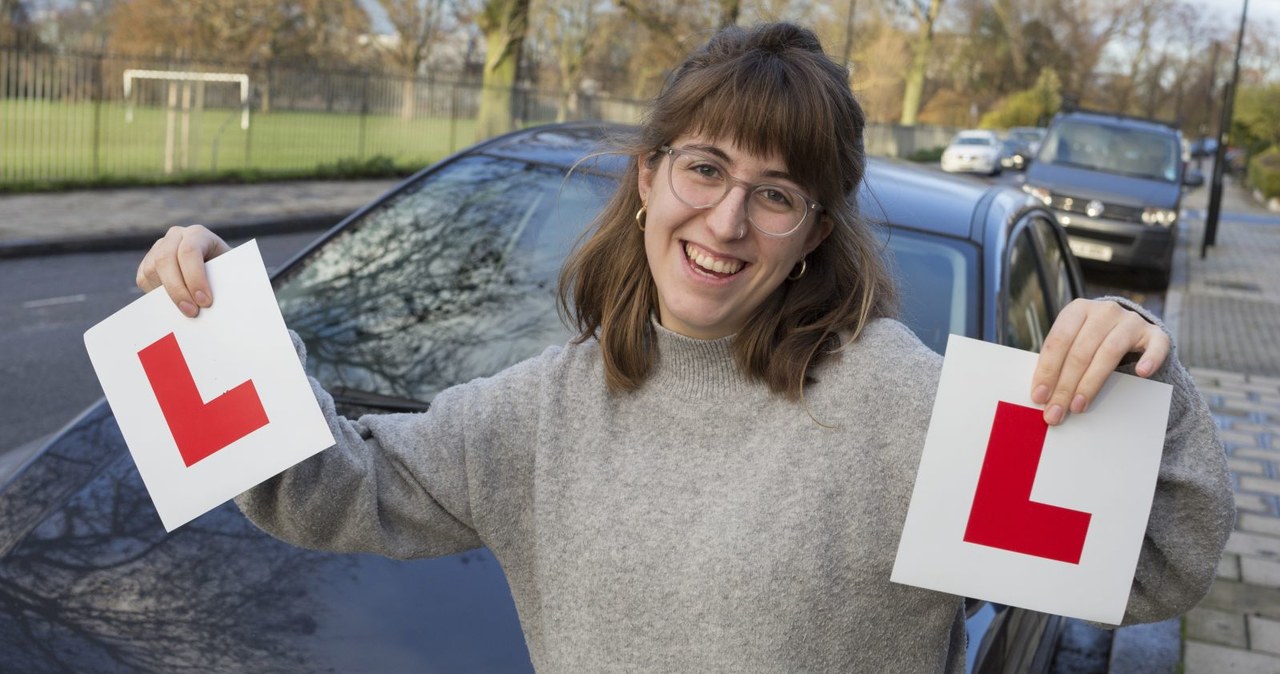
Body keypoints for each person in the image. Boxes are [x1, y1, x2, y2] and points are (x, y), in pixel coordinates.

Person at [136, 22, 1233, 673]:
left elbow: (1158, 568)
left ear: (812, 233)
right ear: (650, 175)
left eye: (775, 194)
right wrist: (213, 327)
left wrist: (1141, 370)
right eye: (704, 169)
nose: (724, 222)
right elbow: (324, 490)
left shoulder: (897, 408)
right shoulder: (539, 413)